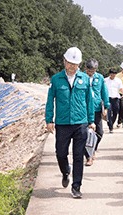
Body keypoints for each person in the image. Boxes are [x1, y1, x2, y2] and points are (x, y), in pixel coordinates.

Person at [45, 47, 95, 199]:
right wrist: (49, 120)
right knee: (60, 153)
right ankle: (66, 171)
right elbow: (49, 101)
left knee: (79, 155)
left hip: (81, 123)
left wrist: (91, 120)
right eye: (70, 63)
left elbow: (90, 101)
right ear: (64, 61)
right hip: (62, 123)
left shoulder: (85, 79)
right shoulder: (56, 79)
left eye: (76, 63)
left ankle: (76, 186)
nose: (73, 66)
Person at [84, 59, 110, 166]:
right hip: (84, 110)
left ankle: (93, 148)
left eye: (93, 70)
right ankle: (88, 156)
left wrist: (106, 107)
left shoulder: (99, 78)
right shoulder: (80, 77)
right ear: (85, 68)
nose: (91, 73)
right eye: (89, 71)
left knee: (99, 133)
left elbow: (104, 92)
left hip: (96, 109)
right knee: (85, 134)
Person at [105, 68, 123, 133]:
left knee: (115, 113)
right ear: (109, 74)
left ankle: (110, 123)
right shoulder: (105, 80)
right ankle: (111, 128)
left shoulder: (118, 80)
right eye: (112, 75)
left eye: (114, 75)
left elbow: (121, 88)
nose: (113, 76)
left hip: (116, 98)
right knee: (109, 113)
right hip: (108, 98)